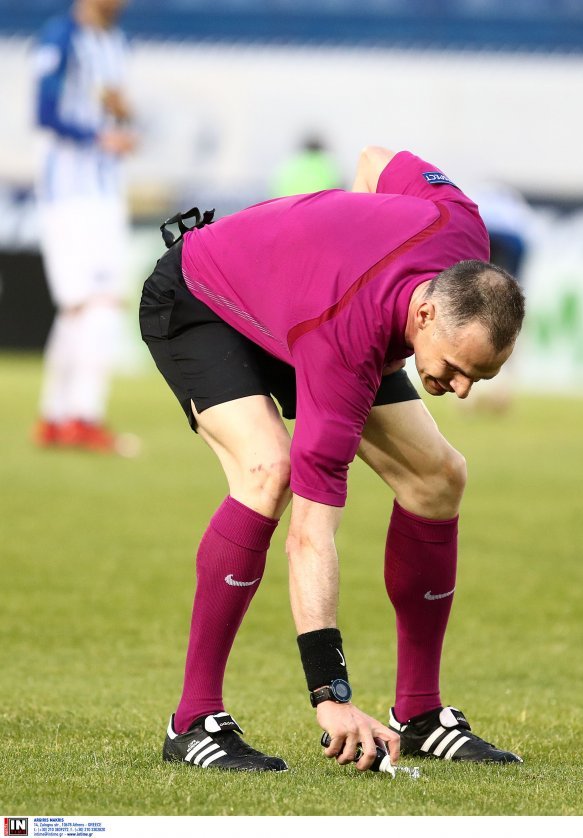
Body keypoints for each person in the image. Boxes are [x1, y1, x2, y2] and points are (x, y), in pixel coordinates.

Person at [140, 146, 526, 773]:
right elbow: (310, 537)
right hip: (204, 297)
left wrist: (347, 240)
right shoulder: (345, 340)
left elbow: (374, 160)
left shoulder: (460, 225)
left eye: (477, 378)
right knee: (269, 470)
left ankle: (419, 713)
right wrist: (332, 696)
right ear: (425, 311)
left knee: (439, 478)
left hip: (312, 311)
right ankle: (192, 720)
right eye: (456, 368)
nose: (460, 389)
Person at [32, 0, 137, 454]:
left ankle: (56, 417)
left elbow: (110, 108)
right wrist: (99, 136)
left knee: (78, 307)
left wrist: (122, 116)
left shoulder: (117, 43)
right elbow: (45, 112)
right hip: (72, 191)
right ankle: (83, 416)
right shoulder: (62, 39)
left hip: (104, 188)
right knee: (102, 301)